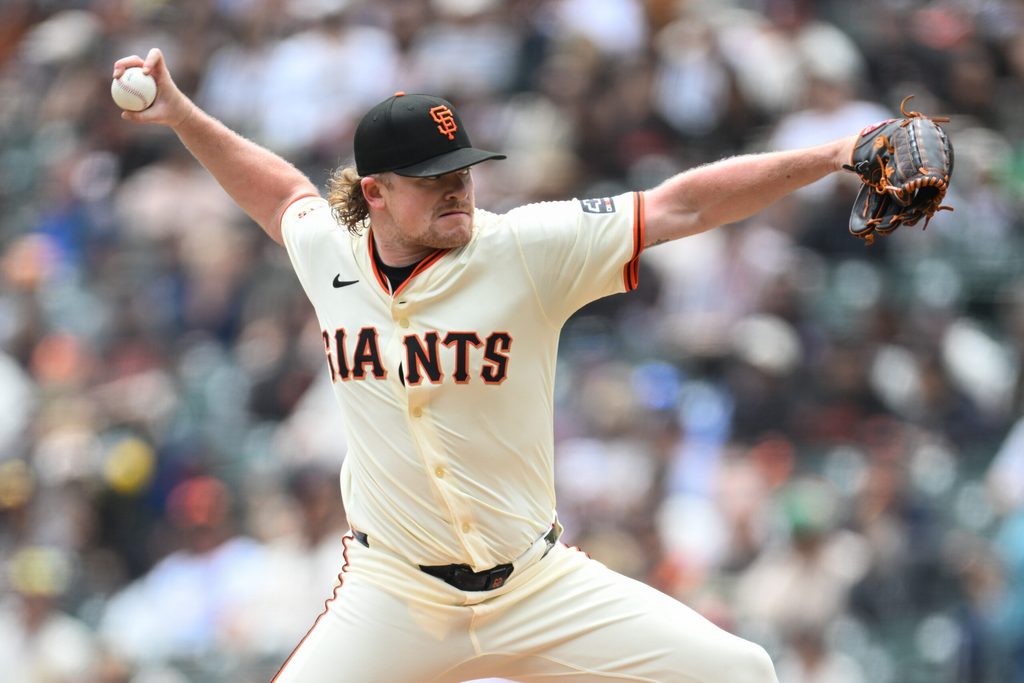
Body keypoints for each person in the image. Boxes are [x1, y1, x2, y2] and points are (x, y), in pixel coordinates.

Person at [112, 47, 860, 683]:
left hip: (536, 583)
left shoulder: (526, 248)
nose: (458, 187)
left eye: (462, 169)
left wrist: (830, 156)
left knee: (741, 672)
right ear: (374, 193)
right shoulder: (330, 252)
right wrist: (180, 114)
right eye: (433, 177)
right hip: (394, 592)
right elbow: (279, 193)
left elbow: (680, 208)